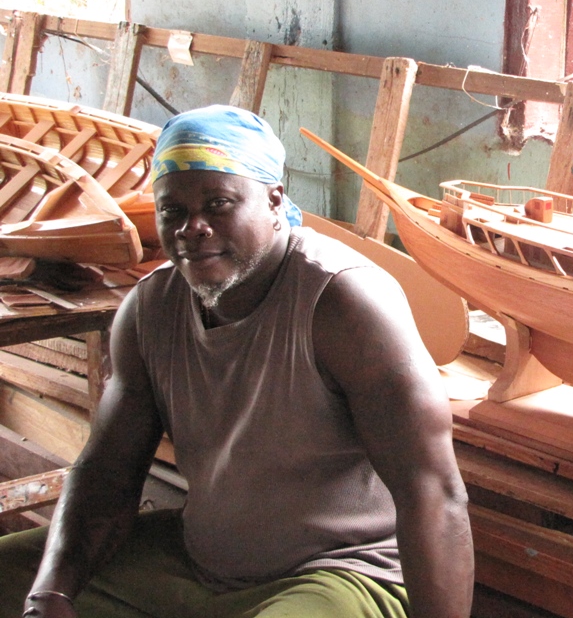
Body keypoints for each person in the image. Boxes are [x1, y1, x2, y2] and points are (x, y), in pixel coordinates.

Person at [0, 105, 474, 618]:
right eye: (172, 210)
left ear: (274, 201)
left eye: (219, 204)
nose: (193, 228)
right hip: (201, 559)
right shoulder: (149, 309)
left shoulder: (343, 303)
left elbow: (434, 493)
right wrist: (50, 594)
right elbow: (105, 473)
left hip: (341, 573)